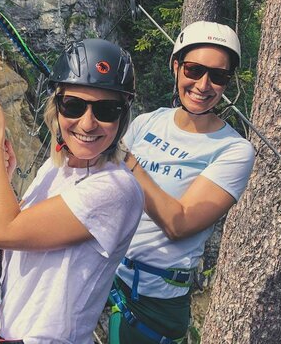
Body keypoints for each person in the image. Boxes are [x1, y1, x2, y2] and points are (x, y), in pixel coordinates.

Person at [0, 38, 144, 344]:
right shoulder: (56, 169)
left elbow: (2, 231)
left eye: (106, 110)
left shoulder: (117, 189)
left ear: (122, 116)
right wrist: (4, 181)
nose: (88, 124)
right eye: (73, 105)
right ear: (56, 107)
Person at [109, 21, 256, 344]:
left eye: (218, 76)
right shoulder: (150, 121)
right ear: (176, 66)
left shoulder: (233, 150)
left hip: (155, 301)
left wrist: (124, 156)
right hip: (108, 273)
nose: (203, 85)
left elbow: (180, 223)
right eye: (193, 69)